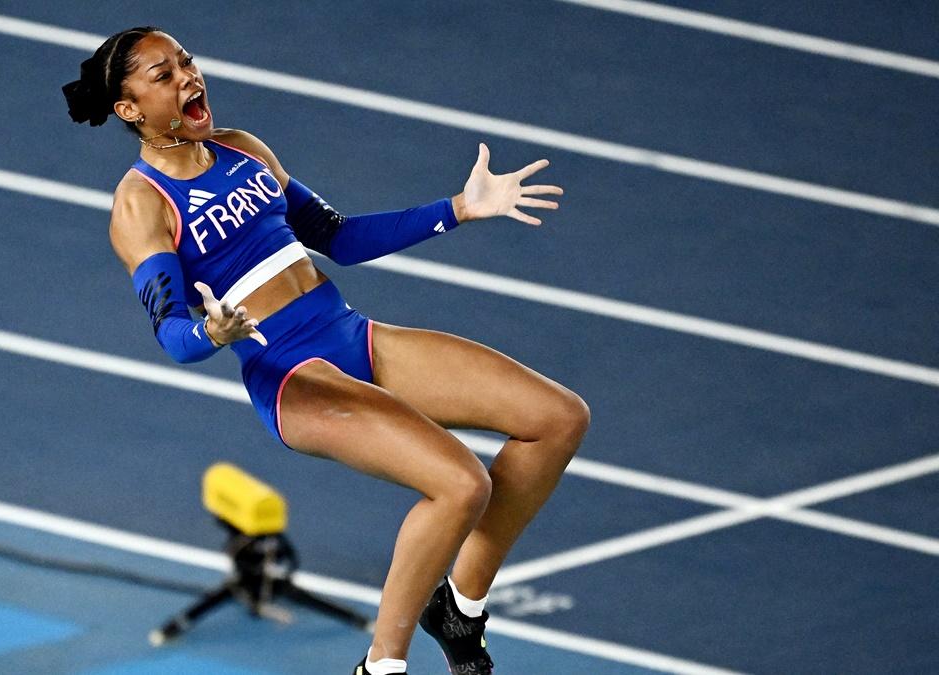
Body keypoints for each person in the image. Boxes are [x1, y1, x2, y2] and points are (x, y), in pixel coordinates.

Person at [63, 26, 589, 675]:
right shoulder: (140, 203)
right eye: (163, 75)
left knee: (557, 418)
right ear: (129, 109)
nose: (188, 78)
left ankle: (461, 607)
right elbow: (172, 332)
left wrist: (457, 207)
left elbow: (337, 237)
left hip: (350, 333)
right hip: (293, 376)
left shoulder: (243, 149)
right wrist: (213, 332)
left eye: (187, 62)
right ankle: (381, 665)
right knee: (460, 483)